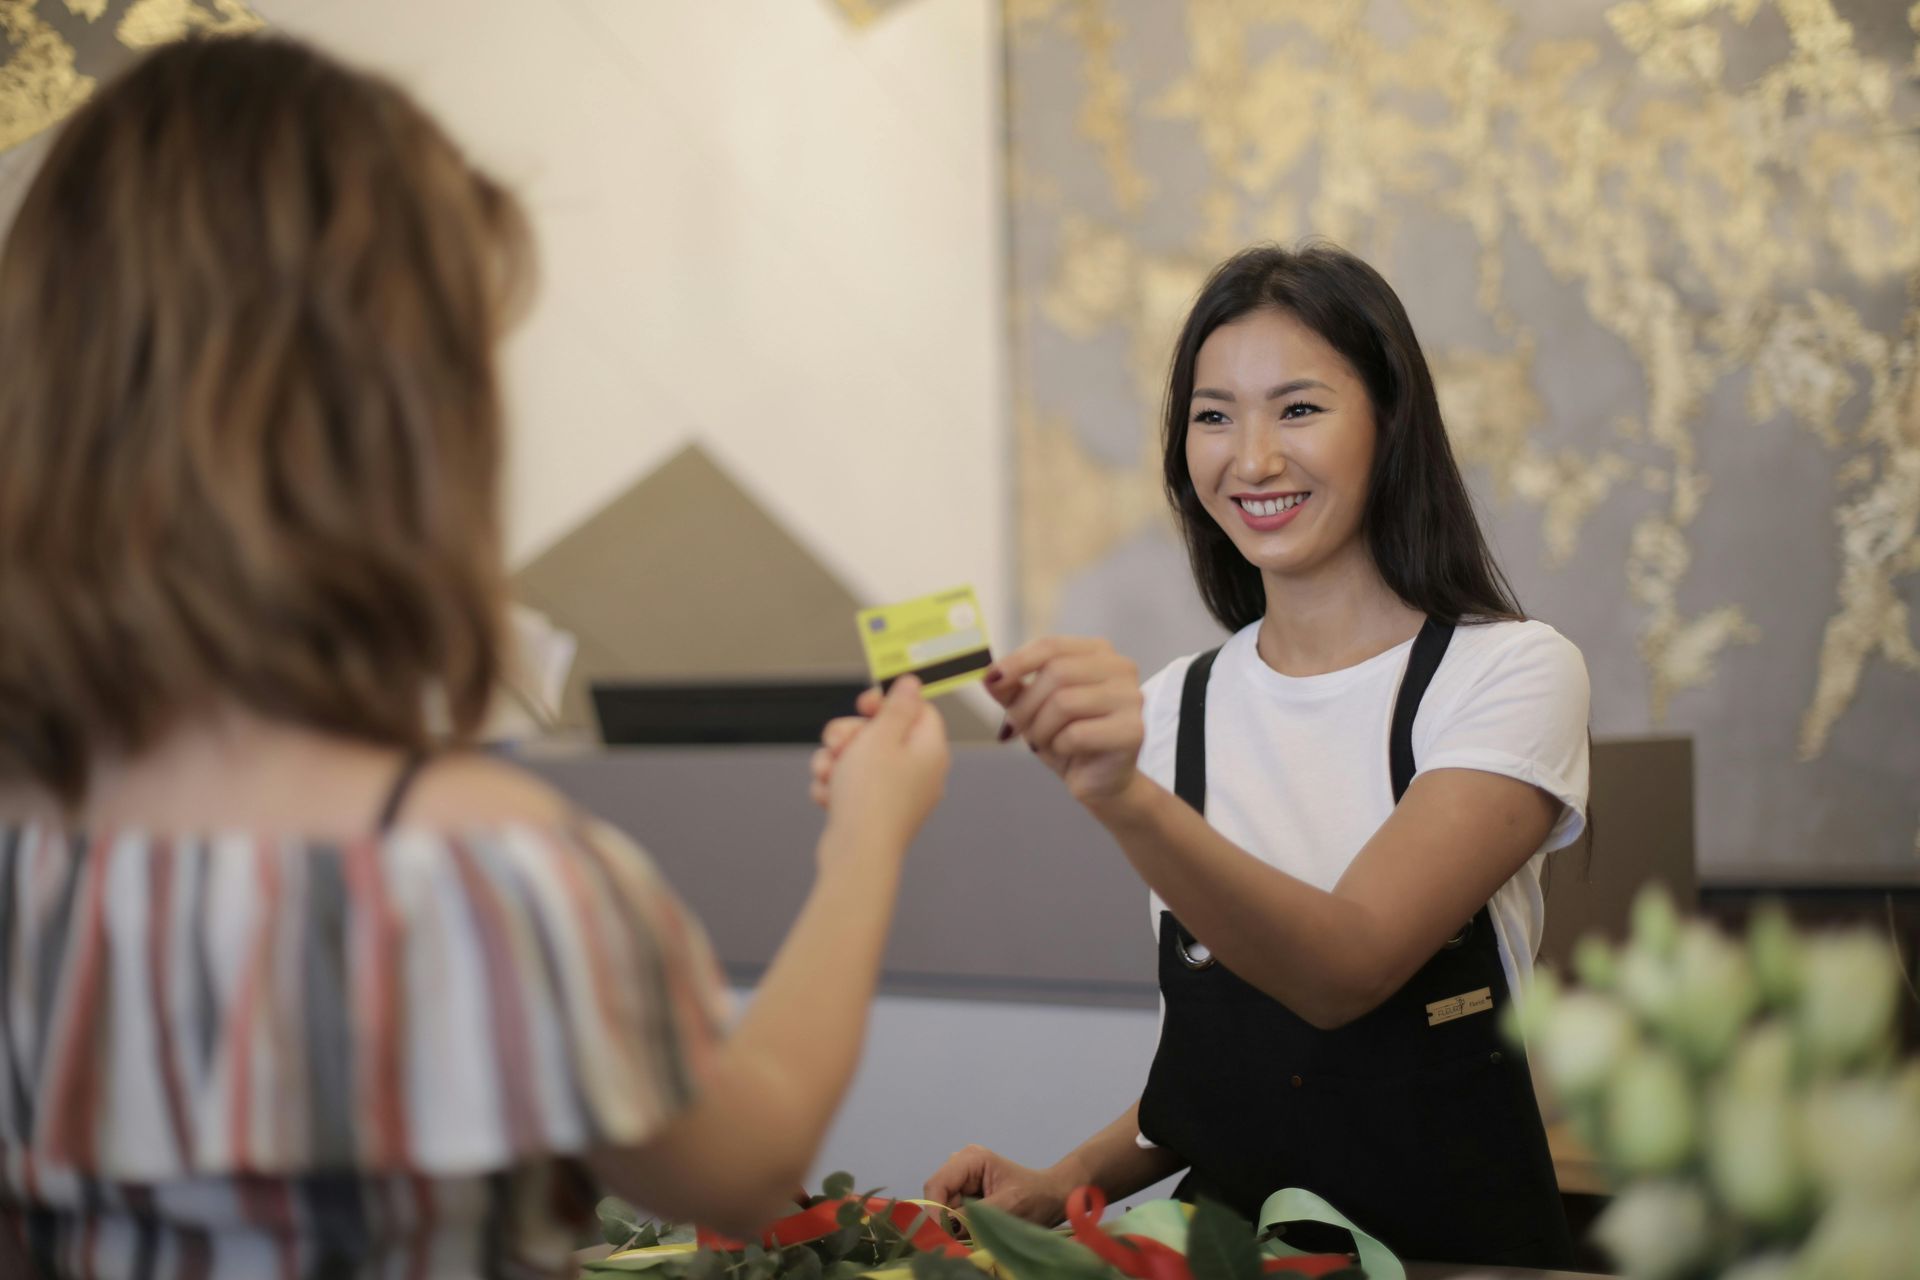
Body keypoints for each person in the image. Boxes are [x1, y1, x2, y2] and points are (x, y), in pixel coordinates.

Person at [0, 35, 947, 1279]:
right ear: (388, 418)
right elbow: (745, 1158)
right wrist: (868, 834)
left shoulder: (29, 840)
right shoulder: (481, 865)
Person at [821, 244, 1587, 1267]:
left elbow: (1345, 969)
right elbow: (1239, 1063)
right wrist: (1061, 1185)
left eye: (1299, 409)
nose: (1253, 458)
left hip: (1451, 1251)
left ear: (1392, 421)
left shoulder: (1511, 674)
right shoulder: (1173, 707)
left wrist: (1122, 796)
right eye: (1214, 414)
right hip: (1225, 1249)